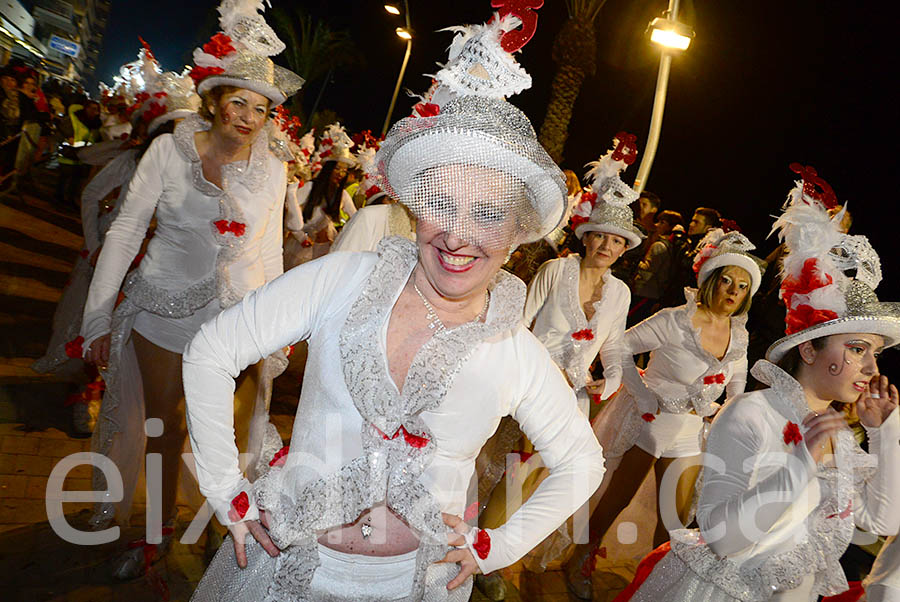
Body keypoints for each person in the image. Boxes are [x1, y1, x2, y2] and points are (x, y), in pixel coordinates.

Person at [185, 11, 604, 600]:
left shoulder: (516, 350)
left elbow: (582, 462)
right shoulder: (345, 281)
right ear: (416, 207)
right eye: (443, 203)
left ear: (514, 234)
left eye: (486, 214)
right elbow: (210, 351)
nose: (458, 235)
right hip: (283, 573)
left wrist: (497, 547)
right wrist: (226, 491)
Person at [80, 0, 302, 578]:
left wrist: (277, 328)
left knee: (232, 440)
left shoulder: (275, 168)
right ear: (214, 99)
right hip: (162, 312)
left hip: (241, 323)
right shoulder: (168, 150)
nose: (249, 118)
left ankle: (223, 539)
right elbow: (126, 230)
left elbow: (273, 250)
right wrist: (98, 319)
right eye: (238, 102)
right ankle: (155, 536)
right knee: (163, 429)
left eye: (261, 108)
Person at [625, 165, 900, 601]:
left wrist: (885, 433)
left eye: (874, 354)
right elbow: (722, 537)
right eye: (856, 349)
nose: (870, 369)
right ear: (808, 350)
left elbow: (881, 522)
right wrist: (799, 465)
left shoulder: (838, 435)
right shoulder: (751, 412)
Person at [564, 228, 763, 599]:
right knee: (614, 500)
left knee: (673, 520)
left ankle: (659, 584)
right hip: (649, 425)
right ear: (710, 282)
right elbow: (621, 347)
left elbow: (736, 385)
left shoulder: (740, 334)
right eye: (727, 281)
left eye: (742, 285)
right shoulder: (675, 319)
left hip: (691, 431)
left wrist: (727, 414)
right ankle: (578, 560)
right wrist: (642, 396)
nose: (734, 291)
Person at [283, 123, 357, 268]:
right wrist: (301, 237)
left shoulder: (342, 195)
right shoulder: (311, 187)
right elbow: (288, 210)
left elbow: (357, 217)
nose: (341, 174)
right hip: (299, 247)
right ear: (328, 169)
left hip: (323, 249)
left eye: (344, 171)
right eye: (337, 169)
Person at [629, 209, 683, 325]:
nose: (657, 225)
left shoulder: (659, 246)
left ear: (669, 226)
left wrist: (634, 262)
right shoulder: (668, 245)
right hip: (651, 293)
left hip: (646, 291)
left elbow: (648, 270)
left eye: (662, 223)